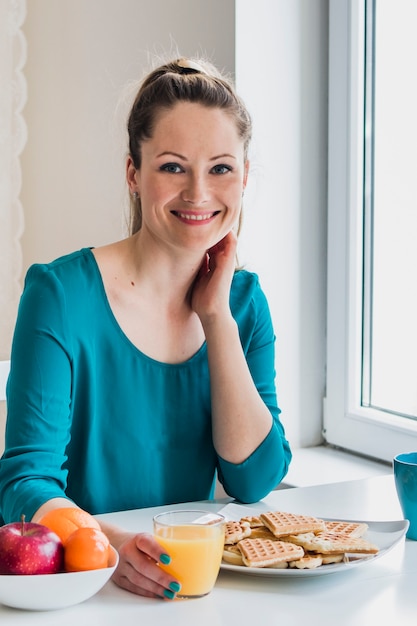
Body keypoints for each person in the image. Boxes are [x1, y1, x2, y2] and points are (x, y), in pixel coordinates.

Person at [0, 57, 291, 599]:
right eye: (173, 167)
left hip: (197, 594)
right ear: (133, 173)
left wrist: (216, 317)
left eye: (221, 168)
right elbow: (24, 484)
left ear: (245, 177)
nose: (199, 193)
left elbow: (254, 480)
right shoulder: (59, 296)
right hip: (87, 589)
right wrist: (104, 542)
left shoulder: (244, 303)